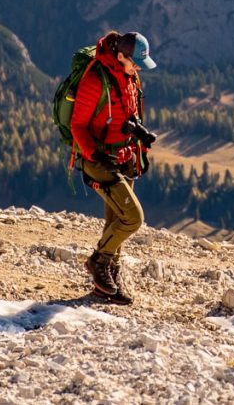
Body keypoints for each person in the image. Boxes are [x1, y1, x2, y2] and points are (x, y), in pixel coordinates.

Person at [70, 30, 157, 303]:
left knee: (115, 220)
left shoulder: (129, 76)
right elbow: (78, 125)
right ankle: (98, 263)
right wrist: (94, 154)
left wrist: (139, 132)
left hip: (125, 157)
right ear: (120, 56)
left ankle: (108, 282)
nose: (137, 69)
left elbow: (125, 112)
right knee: (133, 218)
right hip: (100, 161)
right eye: (134, 63)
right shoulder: (96, 80)